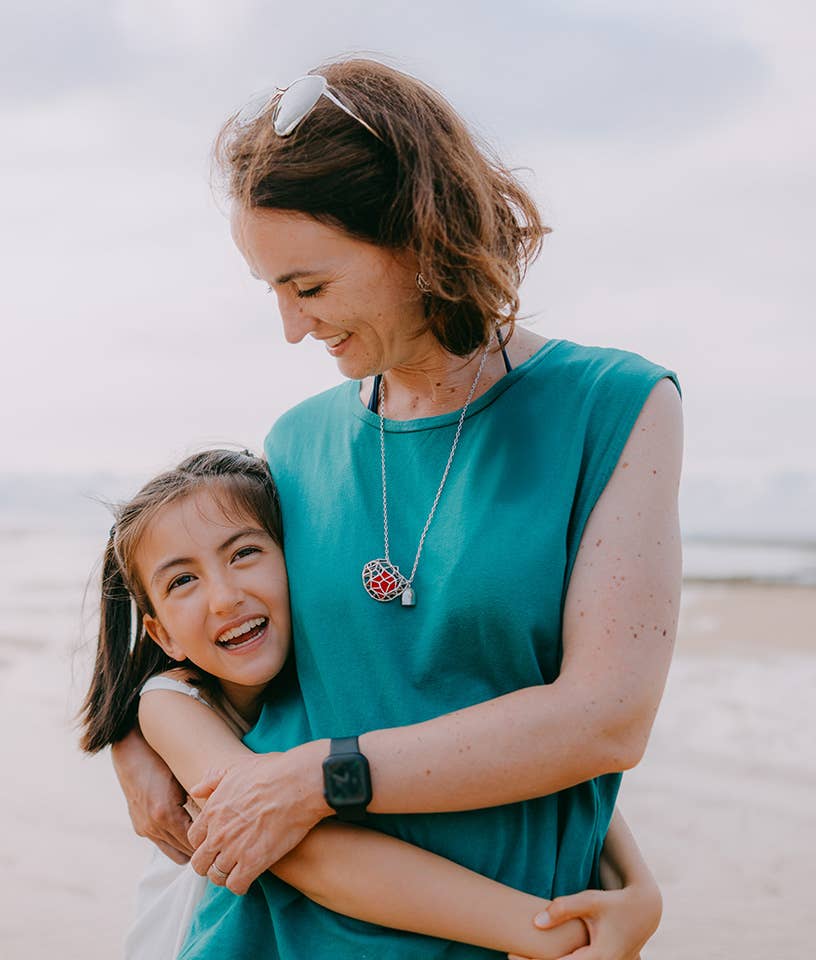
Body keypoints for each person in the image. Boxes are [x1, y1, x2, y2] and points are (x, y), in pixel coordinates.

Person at [109, 58, 683, 959]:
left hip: (516, 939)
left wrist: (630, 881)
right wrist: (141, 731)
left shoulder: (615, 407)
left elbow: (605, 717)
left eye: (310, 287)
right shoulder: (297, 442)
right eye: (274, 293)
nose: (294, 328)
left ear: (418, 238)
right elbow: (239, 662)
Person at [81, 449, 662, 960]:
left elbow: (519, 754)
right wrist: (547, 933)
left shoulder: (340, 663)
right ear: (163, 636)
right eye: (182, 581)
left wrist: (638, 889)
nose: (225, 597)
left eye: (245, 553)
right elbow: (303, 852)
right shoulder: (172, 703)